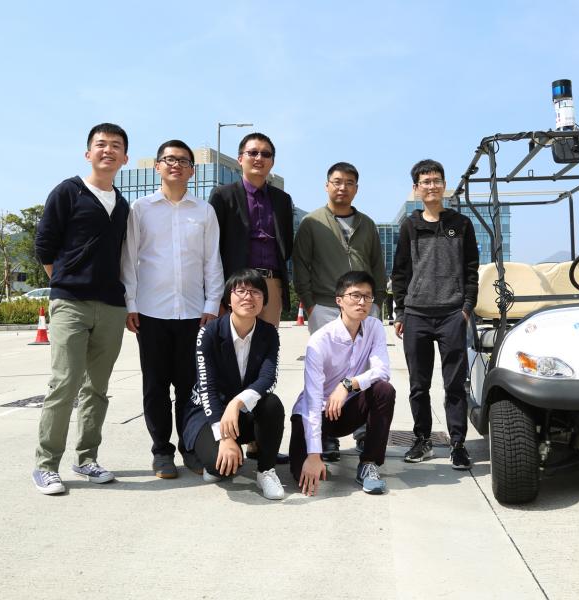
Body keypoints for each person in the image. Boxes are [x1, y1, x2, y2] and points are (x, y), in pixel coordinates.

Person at [31, 123, 131, 495]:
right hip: (70, 302)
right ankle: (46, 465)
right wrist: (67, 280)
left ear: (124, 157)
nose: (108, 151)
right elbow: (45, 245)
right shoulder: (68, 191)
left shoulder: (122, 204)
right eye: (100, 145)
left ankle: (86, 458)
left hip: (111, 306)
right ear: (88, 153)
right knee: (64, 383)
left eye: (115, 146)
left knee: (97, 388)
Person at [120, 139, 224, 479]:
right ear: (158, 166)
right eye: (169, 159)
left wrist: (212, 304)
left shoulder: (204, 211)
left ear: (192, 170)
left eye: (182, 160)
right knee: (155, 386)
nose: (175, 165)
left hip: (194, 313)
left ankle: (190, 448)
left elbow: (212, 262)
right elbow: (129, 260)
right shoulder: (141, 209)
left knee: (190, 387)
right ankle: (161, 452)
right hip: (150, 312)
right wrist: (130, 303)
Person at [292, 161, 386, 461]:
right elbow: (301, 264)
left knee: (364, 370)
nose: (342, 187)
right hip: (324, 304)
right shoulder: (312, 222)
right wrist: (308, 303)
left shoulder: (367, 224)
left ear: (356, 188)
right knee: (325, 372)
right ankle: (326, 436)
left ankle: (362, 431)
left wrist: (378, 301)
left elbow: (377, 265)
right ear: (326, 185)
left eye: (348, 183)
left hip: (363, 305)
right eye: (336, 181)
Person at [392, 159, 479, 471]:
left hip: (452, 314)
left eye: (436, 180)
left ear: (444, 185)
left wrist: (466, 309)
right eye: (425, 181)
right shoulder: (410, 226)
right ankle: (422, 440)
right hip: (416, 314)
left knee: (455, 384)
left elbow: (471, 270)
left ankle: (458, 444)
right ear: (416, 188)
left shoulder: (461, 224)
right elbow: (399, 272)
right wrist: (401, 311)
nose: (431, 186)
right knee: (419, 384)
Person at [180, 269, 286, 500]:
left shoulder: (269, 333)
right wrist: (225, 437)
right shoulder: (209, 332)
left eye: (256, 292)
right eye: (241, 291)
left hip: (241, 411)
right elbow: (206, 388)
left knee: (272, 404)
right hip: (208, 413)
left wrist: (237, 403)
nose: (248, 296)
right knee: (220, 468)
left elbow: (268, 378)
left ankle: (266, 471)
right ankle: (202, 452)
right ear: (229, 299)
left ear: (264, 301)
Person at [289, 271, 396, 496]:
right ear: (339, 301)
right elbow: (312, 400)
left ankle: (369, 463)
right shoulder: (319, 341)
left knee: (383, 390)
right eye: (355, 295)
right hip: (316, 411)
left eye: (367, 296)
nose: (362, 302)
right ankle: (320, 449)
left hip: (348, 408)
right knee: (301, 474)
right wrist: (314, 455)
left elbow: (382, 371)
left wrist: (348, 384)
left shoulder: (374, 327)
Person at [209, 133, 294, 328]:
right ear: (240, 159)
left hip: (272, 285)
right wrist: (217, 297)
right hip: (237, 283)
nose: (259, 158)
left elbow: (287, 244)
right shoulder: (223, 196)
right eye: (253, 152)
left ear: (272, 162)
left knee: (266, 348)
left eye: (266, 154)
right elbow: (211, 248)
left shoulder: (282, 199)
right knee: (234, 349)